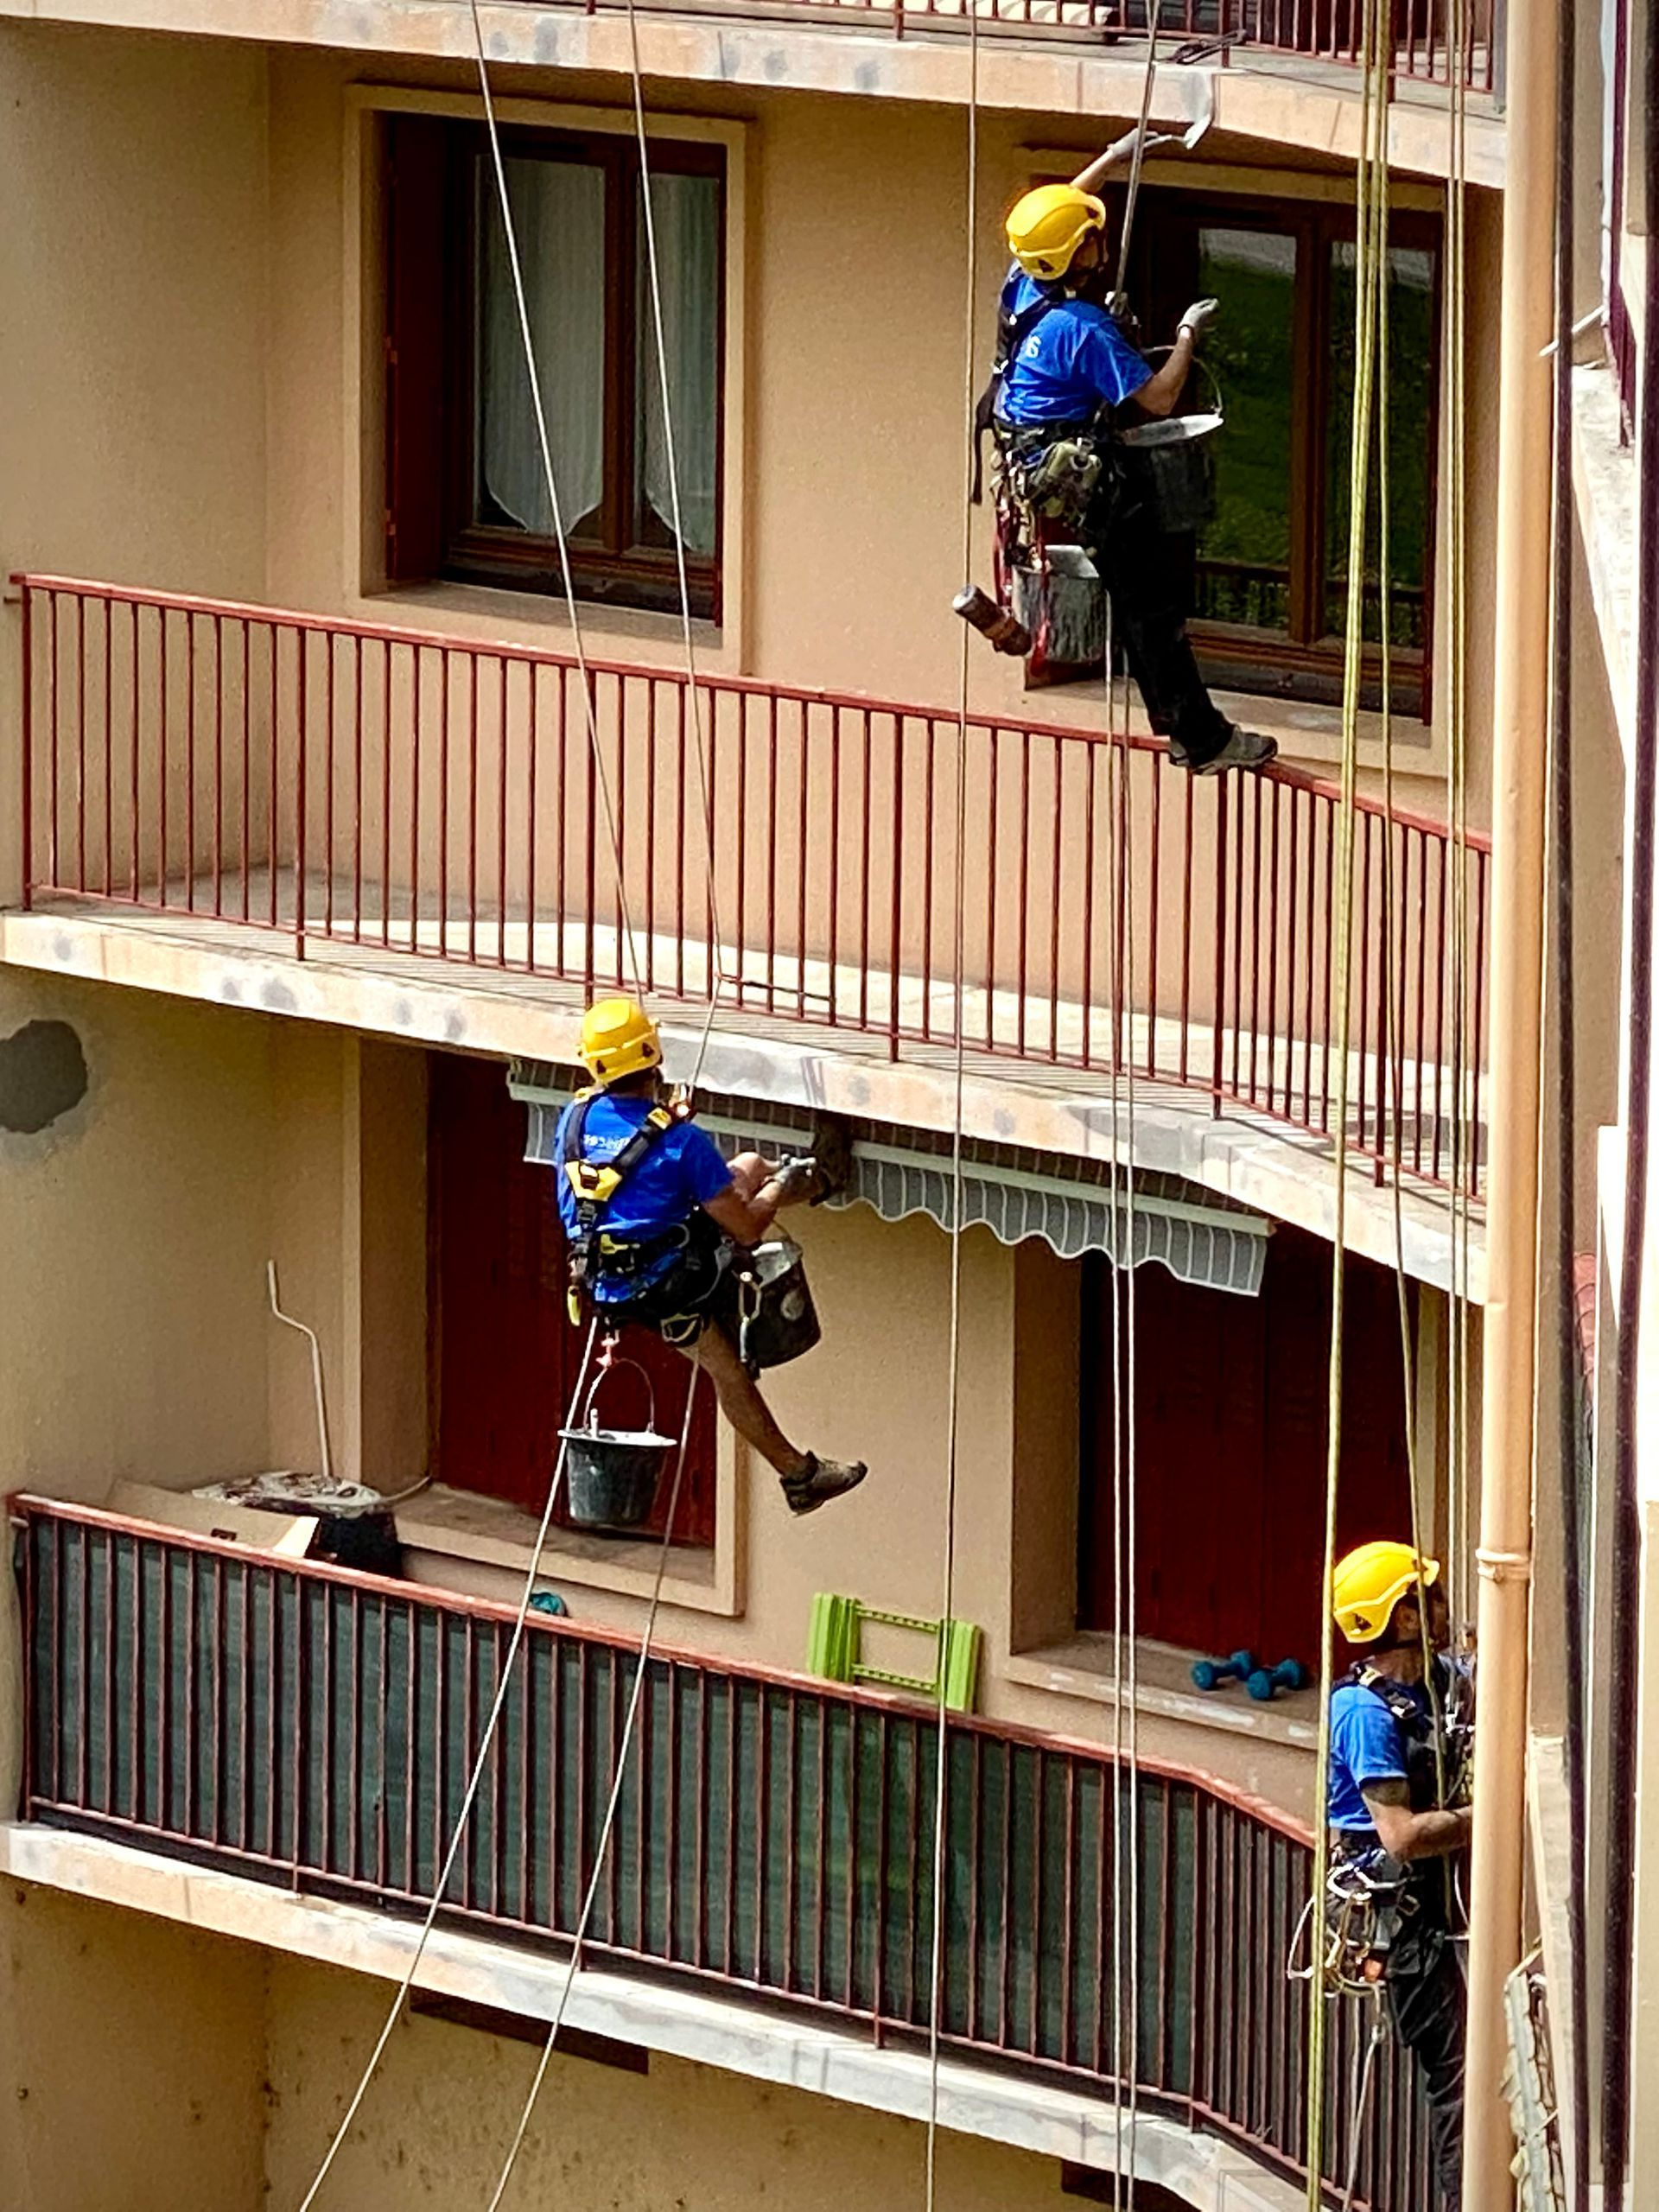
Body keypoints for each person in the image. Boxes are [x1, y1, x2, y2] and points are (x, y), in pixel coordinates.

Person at [988, 180, 1278, 777]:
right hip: (1086, 478)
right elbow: (1161, 398)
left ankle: (1180, 726)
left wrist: (1115, 158)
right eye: (1089, 237)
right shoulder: (1085, 330)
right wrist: (1187, 334)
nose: (1100, 240)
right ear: (1073, 255)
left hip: (1036, 460)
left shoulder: (1021, 289)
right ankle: (1201, 739)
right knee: (1153, 613)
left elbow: (1052, 215)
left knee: (1143, 606)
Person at [553, 995, 868, 1517]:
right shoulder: (681, 1143)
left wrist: (664, 1126)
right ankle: (814, 1177)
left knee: (742, 1168)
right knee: (730, 1370)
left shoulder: (574, 1118)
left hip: (604, 1279)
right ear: (654, 1055)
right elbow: (744, 1227)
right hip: (668, 1283)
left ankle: (799, 1477)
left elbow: (624, 1162)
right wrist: (776, 1188)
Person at [1327, 1541, 1471, 2209]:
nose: (1441, 1602)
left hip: (1438, 1905)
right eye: (1428, 1594)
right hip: (1405, 1924)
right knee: (1460, 2077)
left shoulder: (1437, 1679)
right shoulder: (1363, 1713)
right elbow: (1402, 1836)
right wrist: (1493, 1816)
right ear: (1404, 1617)